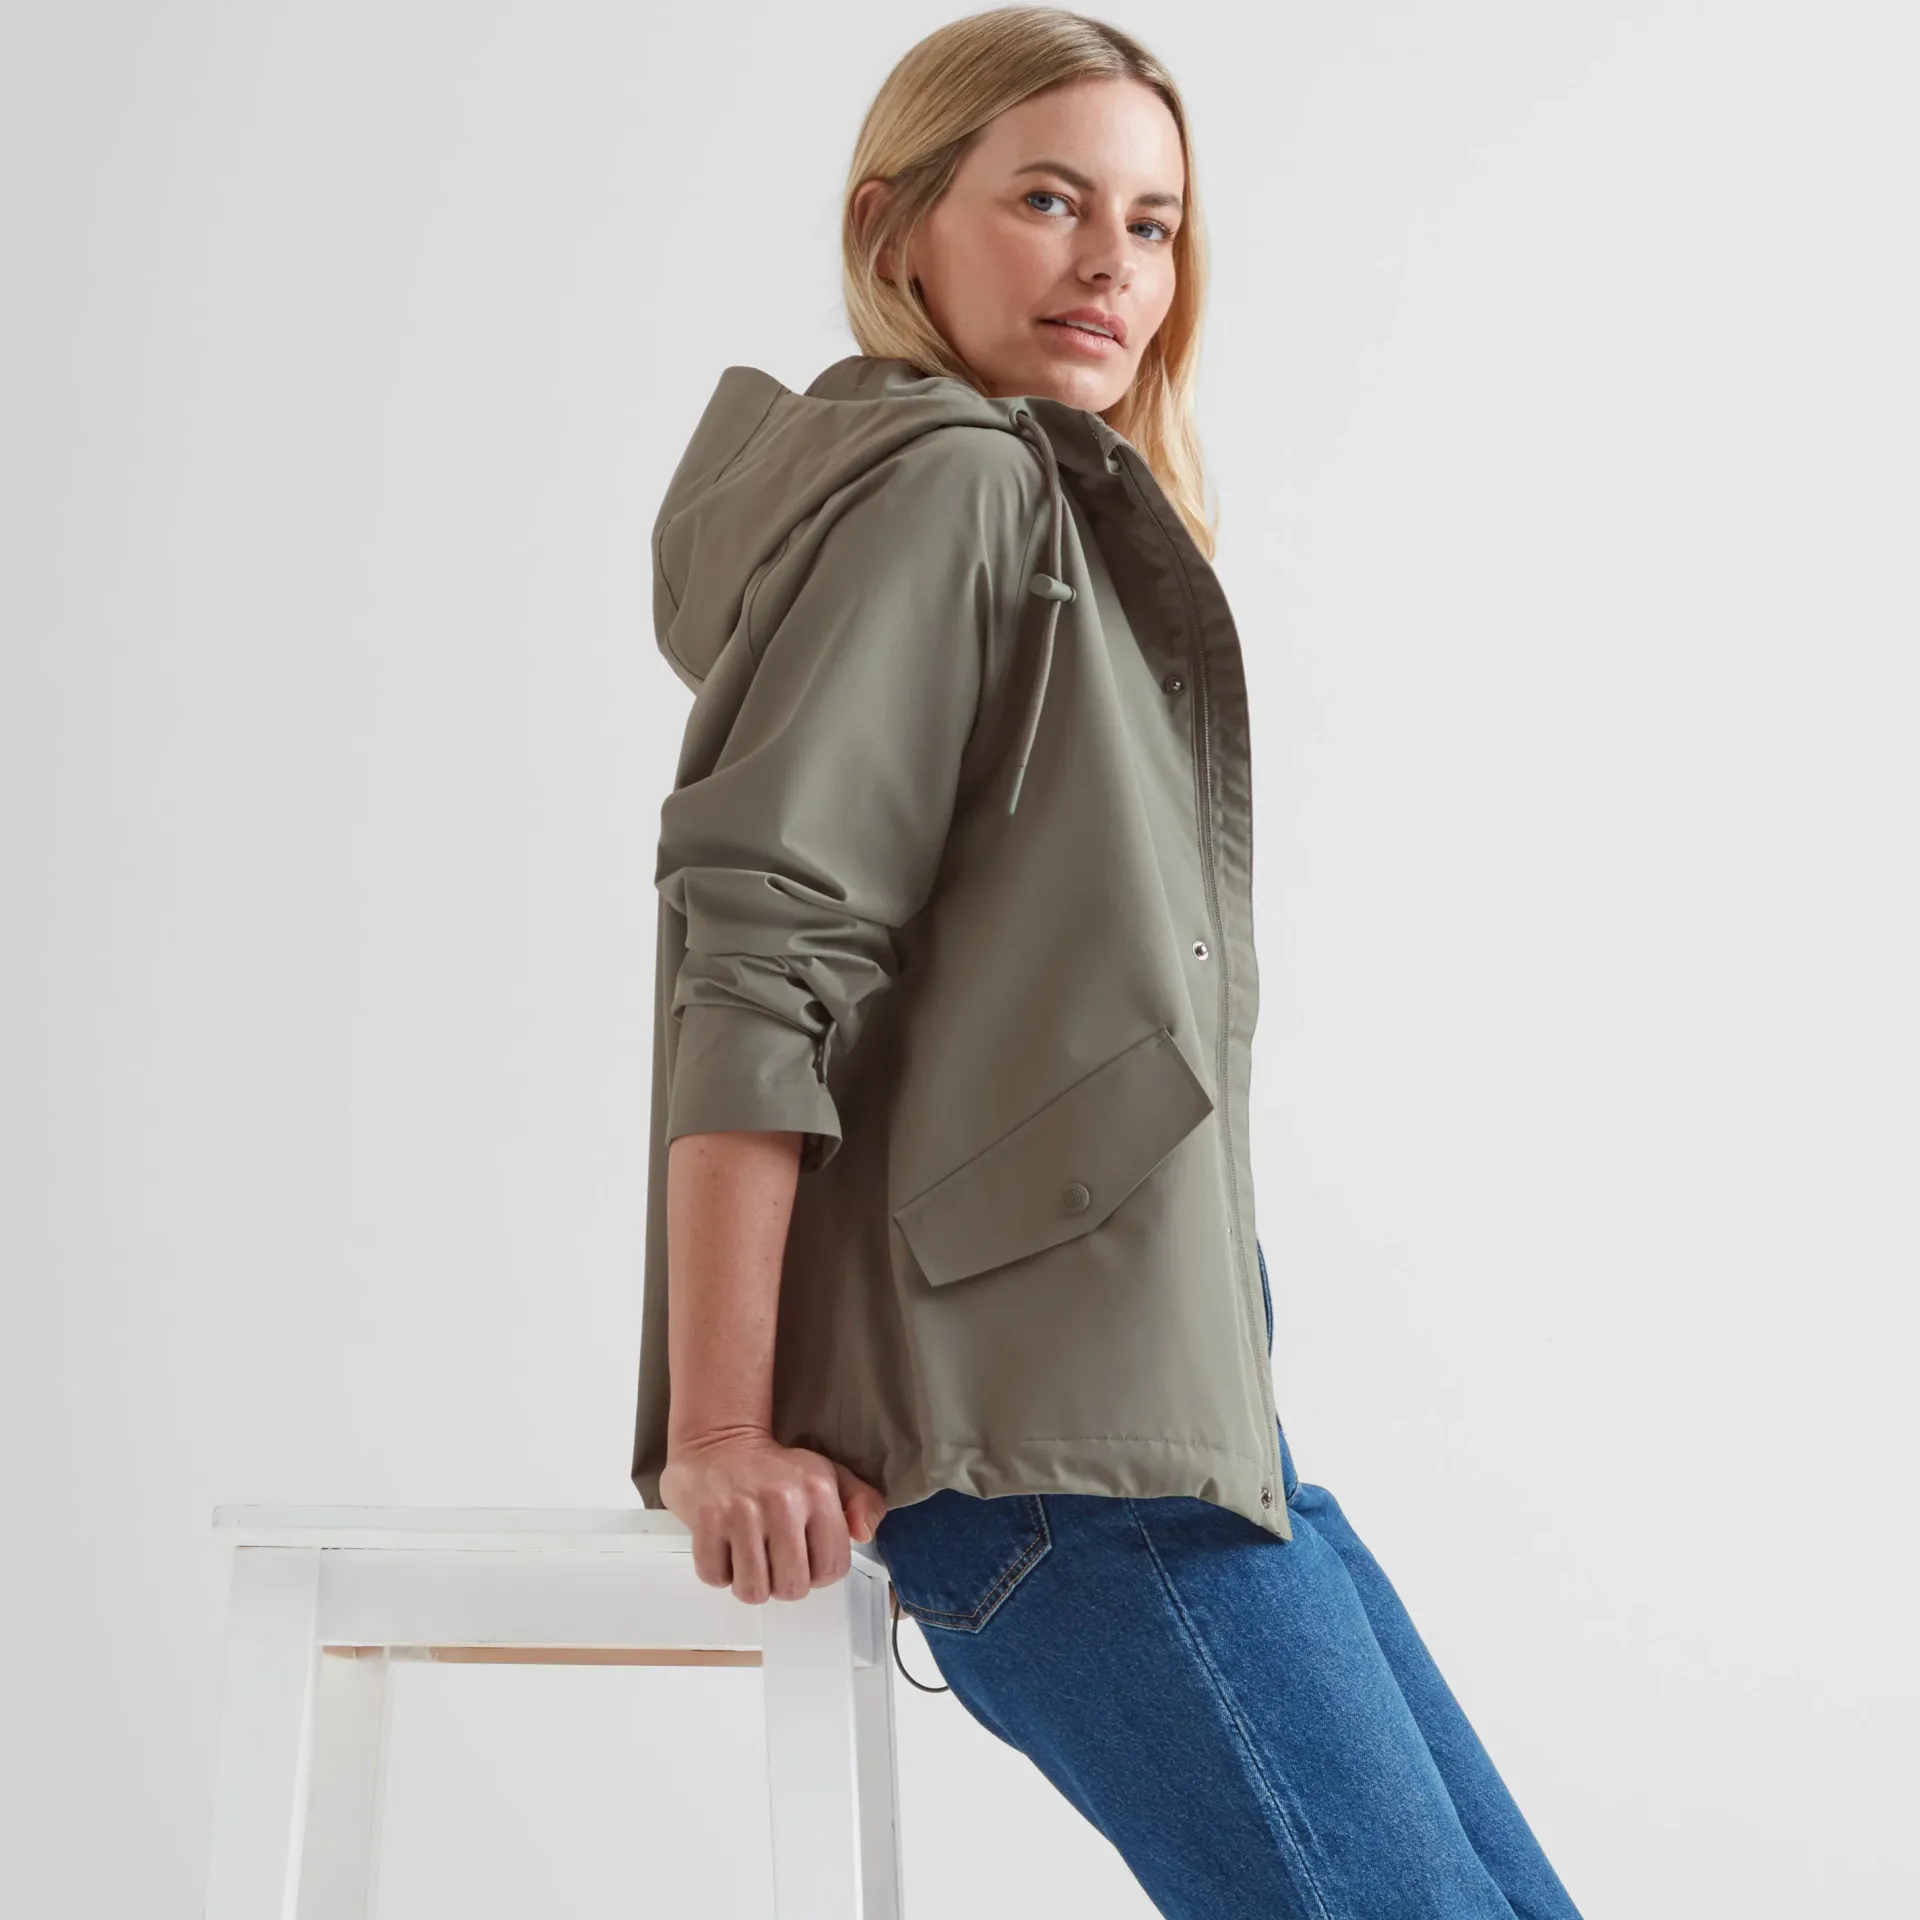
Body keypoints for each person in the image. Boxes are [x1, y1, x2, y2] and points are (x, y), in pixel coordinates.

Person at [632, 8, 1587, 1915]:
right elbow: (757, 948)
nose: (1111, 267)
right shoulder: (951, 487)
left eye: (1151, 225)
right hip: (1056, 1468)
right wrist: (720, 1428)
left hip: (1181, 1430)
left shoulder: (1048, 511)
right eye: (1049, 201)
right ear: (895, 225)